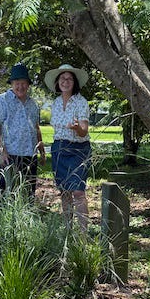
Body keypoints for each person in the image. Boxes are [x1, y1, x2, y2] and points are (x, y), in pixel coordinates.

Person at [45, 63, 92, 229]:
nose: (66, 81)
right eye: (62, 78)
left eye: (69, 78)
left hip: (78, 149)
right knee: (64, 192)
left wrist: (77, 127)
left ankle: (83, 235)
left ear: (75, 82)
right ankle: (68, 230)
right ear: (57, 82)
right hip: (59, 148)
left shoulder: (81, 102)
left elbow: (84, 132)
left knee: (78, 192)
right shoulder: (56, 103)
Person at [0, 62, 45, 196]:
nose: (21, 86)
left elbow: (36, 128)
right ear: (12, 84)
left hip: (30, 155)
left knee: (28, 193)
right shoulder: (3, 100)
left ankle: (26, 217)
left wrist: (42, 151)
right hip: (10, 155)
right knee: (7, 193)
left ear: (28, 84)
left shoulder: (32, 104)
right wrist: (1, 151)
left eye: (24, 83)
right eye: (17, 83)